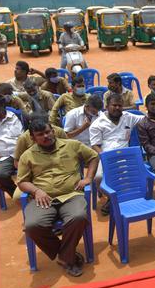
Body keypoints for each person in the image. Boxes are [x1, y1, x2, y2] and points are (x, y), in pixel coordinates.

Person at [17, 119, 99, 277]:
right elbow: (22, 181)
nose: (46, 136)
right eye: (40, 135)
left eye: (48, 132)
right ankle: (68, 255)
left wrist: (88, 178)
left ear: (53, 131)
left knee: (79, 217)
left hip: (72, 194)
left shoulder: (71, 145)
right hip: (43, 198)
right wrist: (36, 191)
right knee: (32, 226)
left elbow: (93, 157)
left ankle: (65, 257)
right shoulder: (27, 156)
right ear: (33, 138)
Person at [89, 93, 144, 214]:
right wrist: (103, 156)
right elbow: (95, 145)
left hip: (125, 156)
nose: (117, 108)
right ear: (107, 106)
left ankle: (113, 200)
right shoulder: (97, 124)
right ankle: (111, 197)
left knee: (131, 176)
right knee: (98, 177)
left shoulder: (128, 117)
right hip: (106, 156)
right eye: (114, 105)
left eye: (120, 105)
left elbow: (146, 119)